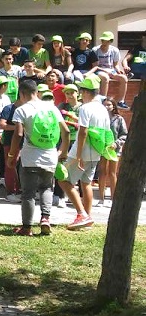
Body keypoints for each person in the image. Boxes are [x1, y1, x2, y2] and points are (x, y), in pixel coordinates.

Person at [7, 79, 70, 236]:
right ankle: (45, 219)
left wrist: (11, 155)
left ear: (22, 93)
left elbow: (19, 134)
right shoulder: (52, 108)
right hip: (50, 155)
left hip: (30, 157)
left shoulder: (22, 110)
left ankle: (27, 228)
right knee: (47, 187)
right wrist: (63, 151)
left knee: (28, 193)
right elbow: (67, 131)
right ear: (36, 92)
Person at [56, 76, 109, 230]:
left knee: (63, 180)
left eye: (81, 90)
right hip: (96, 151)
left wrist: (78, 156)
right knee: (86, 183)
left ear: (85, 92)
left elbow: (83, 132)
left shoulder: (85, 108)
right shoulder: (103, 108)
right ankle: (87, 218)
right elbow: (107, 132)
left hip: (82, 151)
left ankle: (82, 214)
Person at [97, 97, 127, 207]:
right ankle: (101, 198)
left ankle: (114, 198)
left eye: (109, 104)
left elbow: (124, 135)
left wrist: (116, 143)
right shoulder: (99, 118)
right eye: (105, 104)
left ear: (113, 106)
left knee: (112, 173)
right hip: (102, 148)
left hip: (114, 150)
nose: (107, 107)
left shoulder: (119, 119)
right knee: (102, 172)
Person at [90, 31, 129, 109]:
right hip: (99, 70)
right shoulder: (95, 50)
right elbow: (94, 66)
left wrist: (119, 71)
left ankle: (121, 101)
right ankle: (103, 100)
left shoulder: (115, 50)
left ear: (110, 41)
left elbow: (116, 65)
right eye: (103, 40)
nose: (104, 42)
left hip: (111, 71)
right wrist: (106, 71)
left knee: (124, 78)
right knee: (105, 77)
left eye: (106, 41)